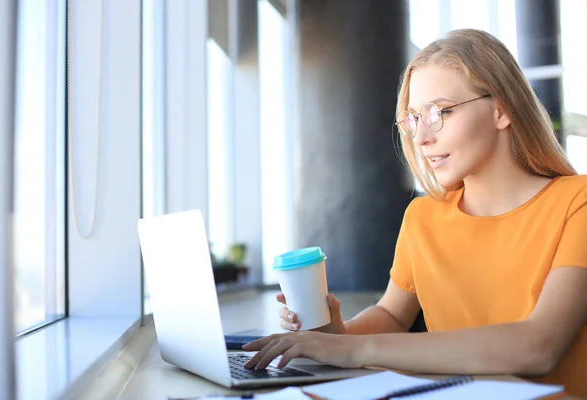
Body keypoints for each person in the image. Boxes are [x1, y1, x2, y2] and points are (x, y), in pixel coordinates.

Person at [242, 29, 587, 397]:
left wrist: (353, 349)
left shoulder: (576, 203)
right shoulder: (423, 217)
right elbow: (391, 316)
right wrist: (333, 334)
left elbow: (538, 347)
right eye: (413, 119)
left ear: (501, 109)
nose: (421, 137)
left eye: (439, 112)